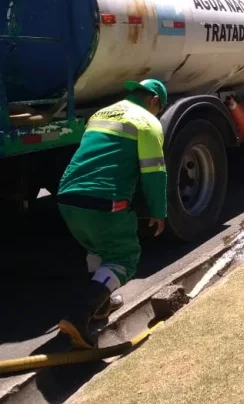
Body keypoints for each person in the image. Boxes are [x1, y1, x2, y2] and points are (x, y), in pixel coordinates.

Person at [57, 79, 168, 349]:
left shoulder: (101, 114)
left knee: (97, 246)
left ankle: (101, 306)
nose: (158, 113)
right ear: (154, 101)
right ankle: (80, 314)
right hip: (104, 200)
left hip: (67, 197)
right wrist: (159, 212)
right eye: (160, 109)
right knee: (124, 256)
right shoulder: (147, 122)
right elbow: (154, 173)